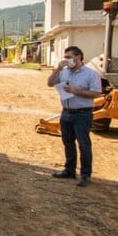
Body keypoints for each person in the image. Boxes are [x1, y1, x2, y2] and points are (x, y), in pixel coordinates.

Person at [47, 45, 103, 187]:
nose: (66, 60)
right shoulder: (64, 72)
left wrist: (76, 91)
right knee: (68, 142)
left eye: (69, 57)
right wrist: (58, 69)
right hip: (66, 112)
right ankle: (69, 170)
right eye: (65, 58)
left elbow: (97, 93)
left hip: (82, 114)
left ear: (78, 57)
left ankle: (85, 175)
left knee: (84, 145)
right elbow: (50, 83)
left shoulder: (91, 74)